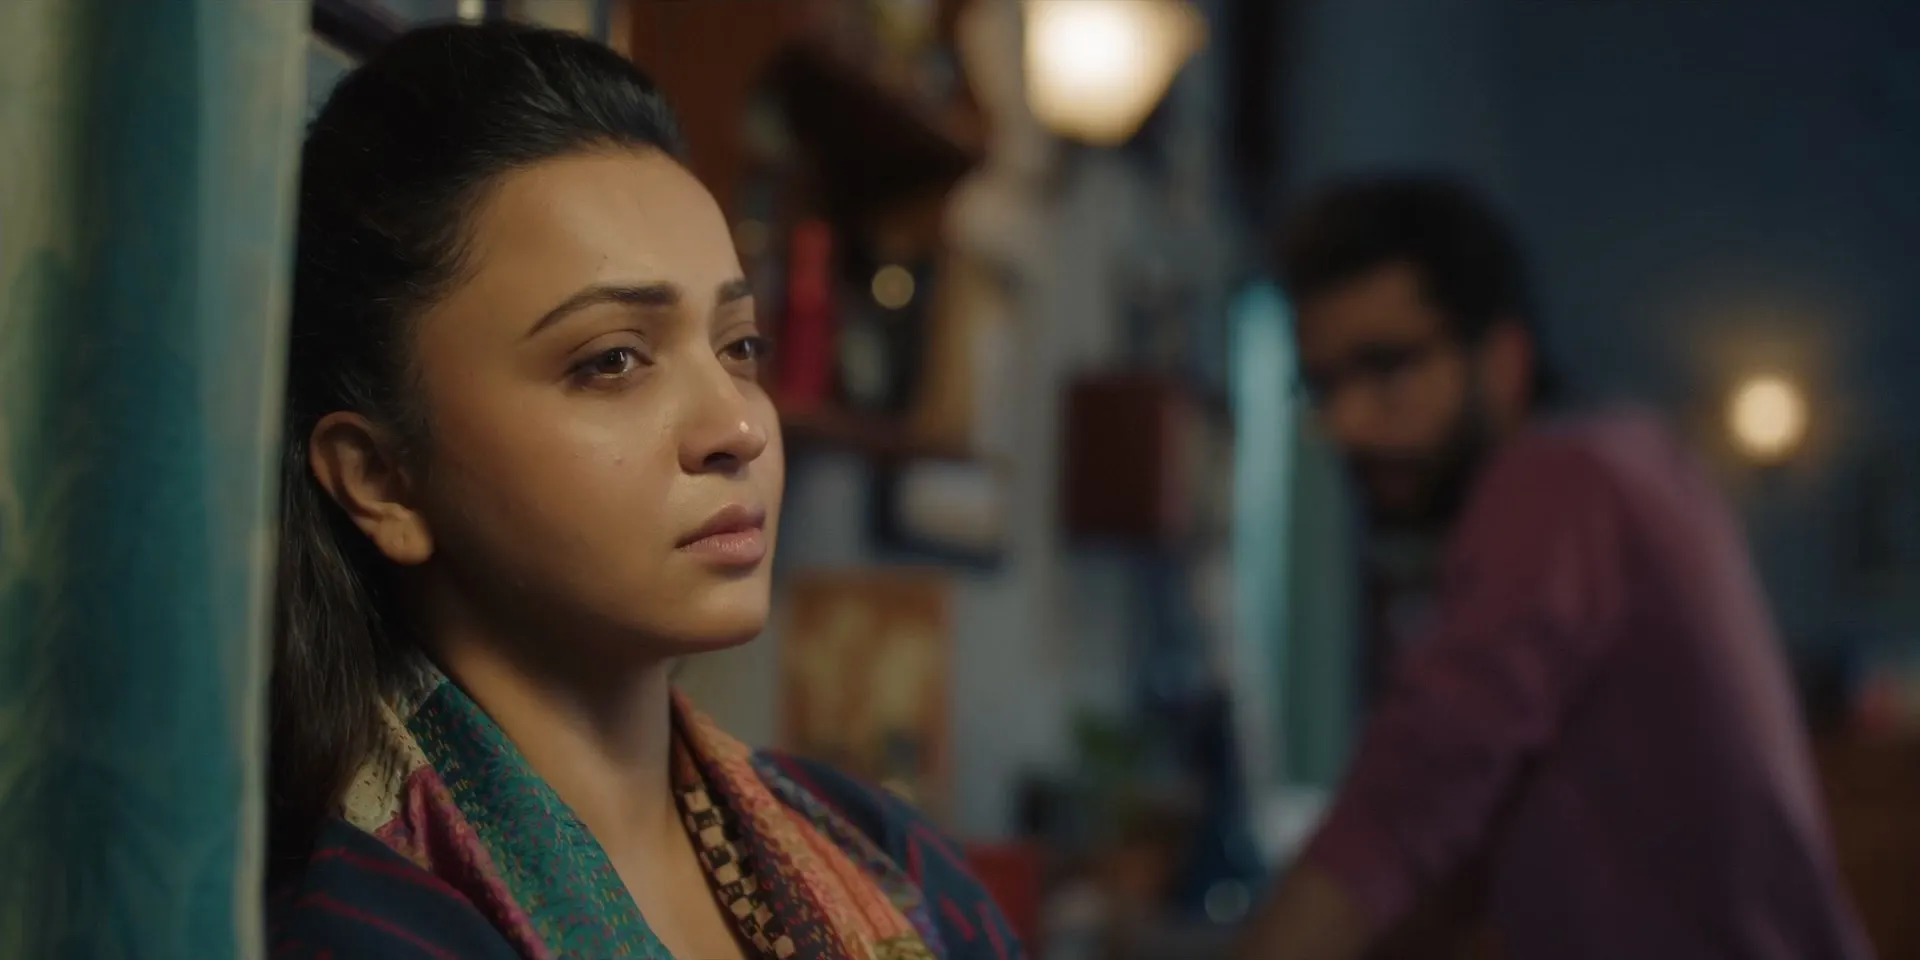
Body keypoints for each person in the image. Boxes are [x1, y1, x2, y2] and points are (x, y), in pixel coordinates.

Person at [266, 22, 1020, 960]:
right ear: (380, 478)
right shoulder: (351, 928)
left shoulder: (892, 859)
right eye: (613, 360)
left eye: (739, 346)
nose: (739, 427)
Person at [1236, 176, 1870, 959]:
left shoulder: (1563, 479)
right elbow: (1448, 868)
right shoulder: (1619, 466)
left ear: (1503, 358)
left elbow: (1415, 788)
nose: (1349, 423)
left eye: (1388, 367)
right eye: (1324, 386)